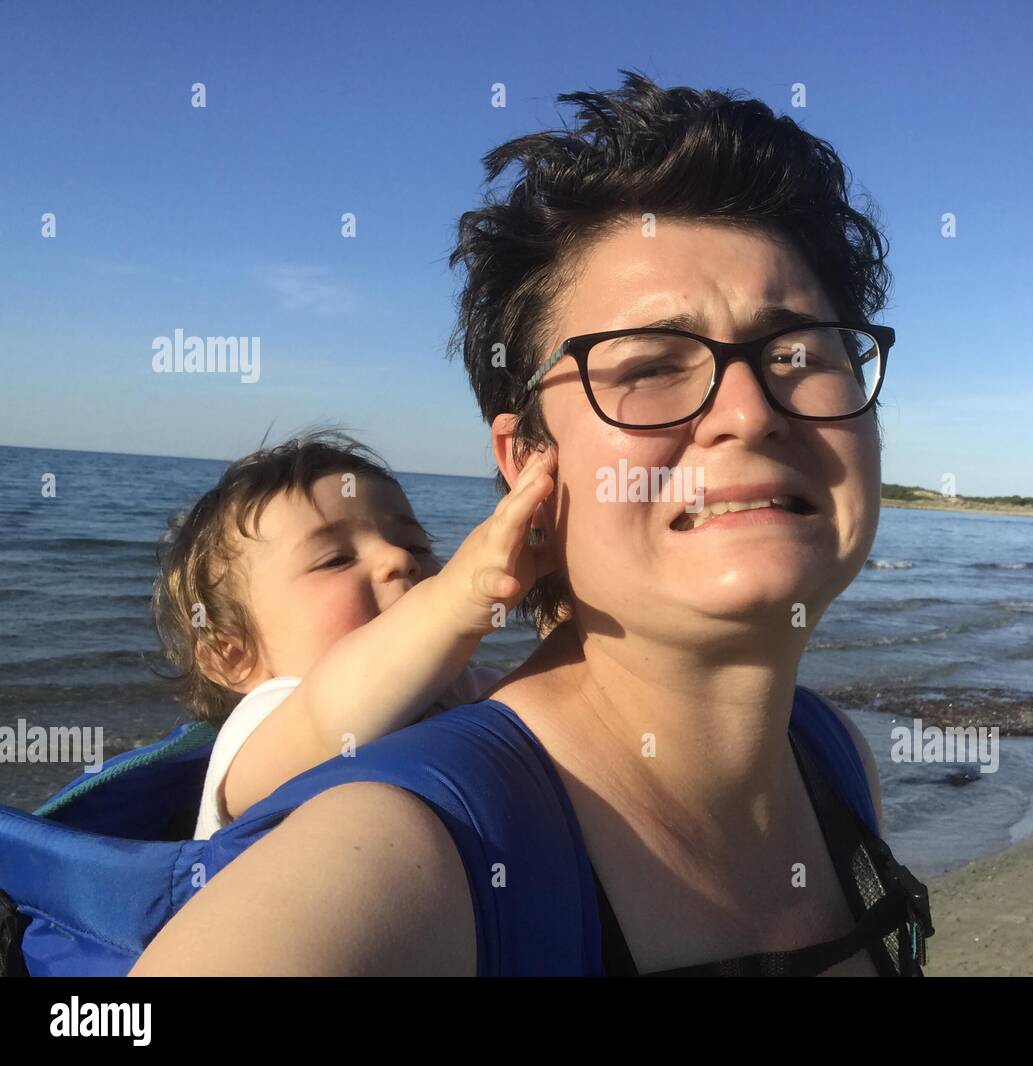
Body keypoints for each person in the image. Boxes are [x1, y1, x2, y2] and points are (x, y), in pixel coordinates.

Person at [131, 68, 930, 976]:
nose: (748, 411)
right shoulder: (412, 853)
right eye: (648, 366)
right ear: (526, 464)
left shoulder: (833, 758)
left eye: (797, 352)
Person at [148, 430, 554, 839]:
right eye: (337, 559)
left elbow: (557, 713)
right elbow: (325, 716)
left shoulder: (466, 688)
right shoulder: (257, 727)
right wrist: (452, 601)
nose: (399, 558)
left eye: (416, 546)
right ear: (233, 658)